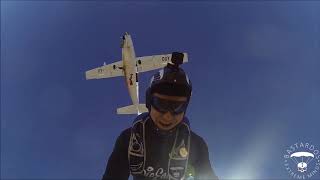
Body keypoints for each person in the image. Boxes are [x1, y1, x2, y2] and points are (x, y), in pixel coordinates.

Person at [102, 58, 219, 180]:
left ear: (185, 108)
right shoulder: (129, 141)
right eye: (161, 104)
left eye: (177, 107)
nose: (168, 116)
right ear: (149, 102)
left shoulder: (196, 146)